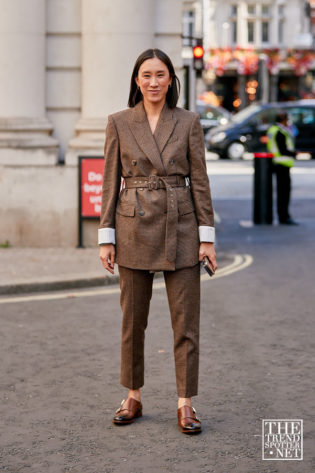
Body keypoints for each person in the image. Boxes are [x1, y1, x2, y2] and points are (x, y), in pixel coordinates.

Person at [98, 49, 217, 434]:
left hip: (180, 227)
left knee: (186, 322)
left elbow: (199, 181)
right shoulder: (118, 122)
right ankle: (132, 395)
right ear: (136, 80)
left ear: (171, 80)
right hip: (132, 225)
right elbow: (108, 183)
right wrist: (106, 238)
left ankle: (186, 402)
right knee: (133, 321)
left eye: (160, 74)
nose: (153, 81)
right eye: (146, 75)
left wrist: (207, 238)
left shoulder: (188, 122)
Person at [267, 112, 298, 225]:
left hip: (276, 163)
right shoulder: (280, 132)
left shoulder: (273, 130)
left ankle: (283, 216)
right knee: (284, 193)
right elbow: (283, 149)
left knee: (281, 192)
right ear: (284, 120)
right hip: (282, 164)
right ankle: (284, 217)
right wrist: (294, 153)